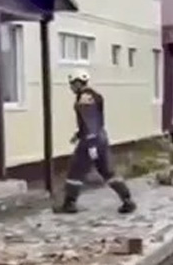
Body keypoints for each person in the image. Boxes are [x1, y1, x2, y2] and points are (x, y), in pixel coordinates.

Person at [56, 69, 137, 214]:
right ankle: (127, 200)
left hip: (90, 140)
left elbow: (91, 120)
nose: (71, 87)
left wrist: (90, 143)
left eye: (72, 84)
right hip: (100, 138)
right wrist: (78, 134)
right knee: (108, 172)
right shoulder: (93, 95)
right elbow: (92, 121)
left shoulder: (85, 98)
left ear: (78, 83)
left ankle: (69, 204)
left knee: (76, 170)